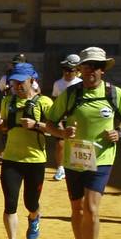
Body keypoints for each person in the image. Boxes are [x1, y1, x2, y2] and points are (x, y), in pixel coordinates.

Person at [41, 46, 121, 239]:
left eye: (96, 66)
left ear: (103, 70)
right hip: (74, 159)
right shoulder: (70, 94)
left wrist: (119, 133)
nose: (91, 70)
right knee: (77, 209)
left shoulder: (113, 93)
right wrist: (63, 132)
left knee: (91, 208)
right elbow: (50, 123)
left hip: (102, 159)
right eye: (87, 65)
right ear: (80, 69)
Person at [0, 62, 52, 239]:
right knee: (10, 204)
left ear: (32, 80)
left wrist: (37, 125)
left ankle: (34, 216)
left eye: (21, 82)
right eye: (14, 82)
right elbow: (6, 126)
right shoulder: (8, 101)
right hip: (11, 158)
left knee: (31, 202)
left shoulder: (45, 103)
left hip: (35, 160)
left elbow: (56, 130)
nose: (17, 86)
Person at [50, 53, 82, 182]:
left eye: (71, 70)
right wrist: (57, 121)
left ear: (77, 71)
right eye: (65, 70)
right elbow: (55, 101)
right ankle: (60, 167)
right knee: (60, 143)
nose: (67, 73)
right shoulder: (58, 84)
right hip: (62, 117)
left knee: (78, 143)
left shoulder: (81, 83)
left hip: (76, 118)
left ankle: (78, 167)